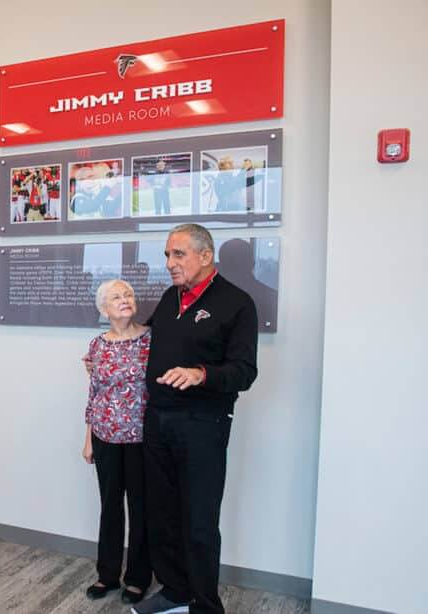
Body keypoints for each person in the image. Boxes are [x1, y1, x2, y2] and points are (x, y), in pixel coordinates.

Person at [133, 224, 258, 614]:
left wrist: (201, 373)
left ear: (206, 256)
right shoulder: (171, 298)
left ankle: (204, 603)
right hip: (158, 420)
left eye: (178, 254)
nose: (170, 263)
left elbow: (244, 371)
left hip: (204, 423)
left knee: (199, 519)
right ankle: (174, 591)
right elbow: (146, 341)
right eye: (167, 255)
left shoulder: (237, 303)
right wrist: (108, 353)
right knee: (163, 513)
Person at [80, 280, 152, 605]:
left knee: (141, 509)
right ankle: (107, 574)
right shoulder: (97, 345)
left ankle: (137, 578)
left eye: (128, 295)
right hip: (105, 436)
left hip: (142, 439)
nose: (125, 300)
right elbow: (94, 393)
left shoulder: (152, 339)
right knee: (110, 507)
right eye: (116, 297)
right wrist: (88, 439)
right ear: (104, 309)